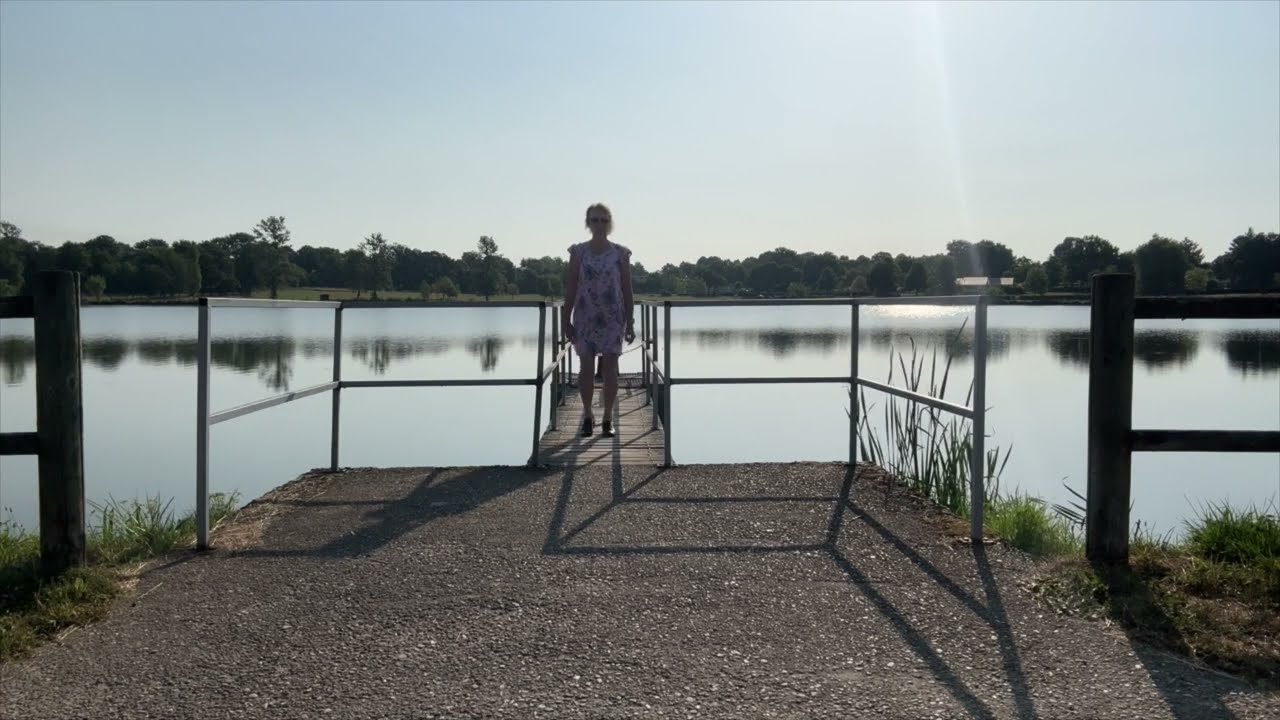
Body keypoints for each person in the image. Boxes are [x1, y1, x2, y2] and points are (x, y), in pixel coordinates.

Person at [562, 203, 634, 438]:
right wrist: (565, 317)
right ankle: (587, 415)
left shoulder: (620, 253)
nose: (599, 225)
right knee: (586, 367)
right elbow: (572, 285)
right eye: (595, 220)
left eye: (604, 220)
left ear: (610, 222)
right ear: (588, 223)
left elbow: (626, 288)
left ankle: (607, 418)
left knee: (611, 367)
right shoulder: (578, 252)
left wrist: (631, 320)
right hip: (585, 315)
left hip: (613, 315)